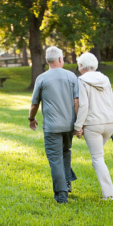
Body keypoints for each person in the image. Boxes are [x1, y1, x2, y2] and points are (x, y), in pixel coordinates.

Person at [28, 46, 79, 204]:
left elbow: (34, 104)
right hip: (69, 126)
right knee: (65, 152)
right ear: (59, 59)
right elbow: (77, 101)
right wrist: (78, 123)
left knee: (56, 159)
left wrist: (31, 118)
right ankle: (67, 183)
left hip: (52, 127)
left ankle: (62, 194)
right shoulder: (71, 76)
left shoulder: (42, 78)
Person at [74, 52, 113, 201]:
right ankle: (109, 193)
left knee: (97, 158)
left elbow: (83, 104)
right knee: (99, 156)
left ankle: (109, 194)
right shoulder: (105, 78)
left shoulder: (81, 80)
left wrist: (77, 126)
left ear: (81, 66)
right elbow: (112, 101)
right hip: (110, 122)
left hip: (93, 124)